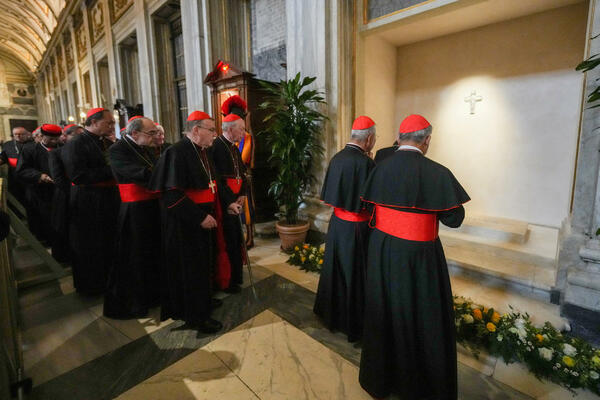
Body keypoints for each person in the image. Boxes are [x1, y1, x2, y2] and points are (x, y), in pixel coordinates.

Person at [358, 114, 470, 400]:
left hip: (382, 250)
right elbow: (455, 219)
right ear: (427, 140)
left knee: (384, 309)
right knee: (420, 315)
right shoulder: (438, 172)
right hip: (418, 257)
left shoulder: (380, 167)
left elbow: (369, 206)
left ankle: (381, 379)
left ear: (400, 138)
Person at [148, 110, 227, 333]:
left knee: (203, 265)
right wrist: (200, 217)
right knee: (191, 270)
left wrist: (225, 204)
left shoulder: (202, 151)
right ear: (196, 130)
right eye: (211, 130)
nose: (215, 134)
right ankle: (196, 317)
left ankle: (203, 300)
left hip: (203, 217)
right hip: (185, 223)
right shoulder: (176, 152)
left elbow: (212, 184)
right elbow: (171, 195)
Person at [314, 116, 376, 343]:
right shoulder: (366, 163)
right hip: (358, 228)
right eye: (375, 138)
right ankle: (353, 325)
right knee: (354, 276)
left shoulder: (337, 158)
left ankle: (332, 317)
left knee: (336, 272)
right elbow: (373, 202)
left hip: (337, 225)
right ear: (368, 139)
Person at [104, 117, 161, 319]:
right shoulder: (117, 150)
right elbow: (136, 173)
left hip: (152, 207)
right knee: (135, 255)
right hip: (134, 210)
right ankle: (135, 302)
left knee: (152, 253)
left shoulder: (145, 148)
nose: (155, 137)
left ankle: (153, 295)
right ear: (135, 133)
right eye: (151, 133)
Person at [61, 108, 120, 295]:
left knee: (108, 241)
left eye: (113, 123)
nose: (112, 126)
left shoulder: (105, 141)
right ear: (94, 122)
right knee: (90, 244)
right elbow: (78, 175)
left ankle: (109, 281)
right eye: (109, 122)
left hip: (108, 199)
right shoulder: (75, 144)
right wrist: (113, 171)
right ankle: (92, 286)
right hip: (87, 201)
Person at [210, 113, 246, 293]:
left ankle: (236, 277)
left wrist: (243, 194)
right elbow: (217, 180)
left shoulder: (233, 147)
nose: (244, 133)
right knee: (228, 242)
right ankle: (227, 281)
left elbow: (242, 172)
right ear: (230, 129)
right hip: (225, 203)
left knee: (236, 240)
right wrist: (229, 201)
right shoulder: (217, 147)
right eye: (242, 129)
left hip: (236, 199)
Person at [15, 124, 61, 245]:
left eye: (56, 139)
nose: (54, 141)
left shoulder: (63, 148)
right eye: (51, 139)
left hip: (59, 191)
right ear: (42, 136)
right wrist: (40, 176)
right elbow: (22, 170)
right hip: (39, 193)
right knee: (43, 222)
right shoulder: (29, 149)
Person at [221, 95, 255, 248]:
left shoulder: (244, 138)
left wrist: (241, 191)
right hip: (228, 192)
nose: (243, 131)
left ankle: (250, 237)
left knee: (247, 211)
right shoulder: (221, 144)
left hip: (241, 183)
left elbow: (243, 160)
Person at [48, 124, 83, 262]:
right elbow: (58, 178)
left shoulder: (84, 151)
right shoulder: (56, 153)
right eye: (76, 135)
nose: (79, 138)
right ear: (65, 137)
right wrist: (74, 192)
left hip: (83, 194)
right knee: (65, 226)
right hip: (66, 195)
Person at [0, 127, 34, 216]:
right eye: (16, 134)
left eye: (21, 134)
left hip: (30, 178)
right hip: (14, 177)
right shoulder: (8, 145)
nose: (18, 136)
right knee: (17, 198)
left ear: (27, 134)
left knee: (31, 201)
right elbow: (3, 158)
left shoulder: (33, 144)